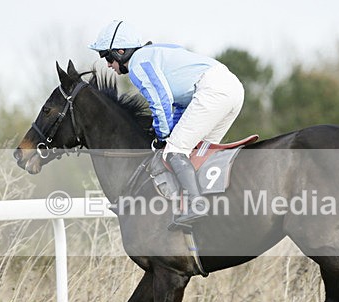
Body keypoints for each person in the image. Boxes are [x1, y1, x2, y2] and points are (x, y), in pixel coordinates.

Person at [89, 20, 245, 226]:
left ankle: (196, 205)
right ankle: (210, 209)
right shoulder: (155, 52)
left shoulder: (138, 64)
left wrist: (163, 136)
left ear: (120, 51)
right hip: (232, 88)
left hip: (213, 90)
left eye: (107, 57)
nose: (108, 64)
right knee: (197, 153)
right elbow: (181, 105)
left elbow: (160, 100)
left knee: (174, 150)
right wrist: (168, 131)